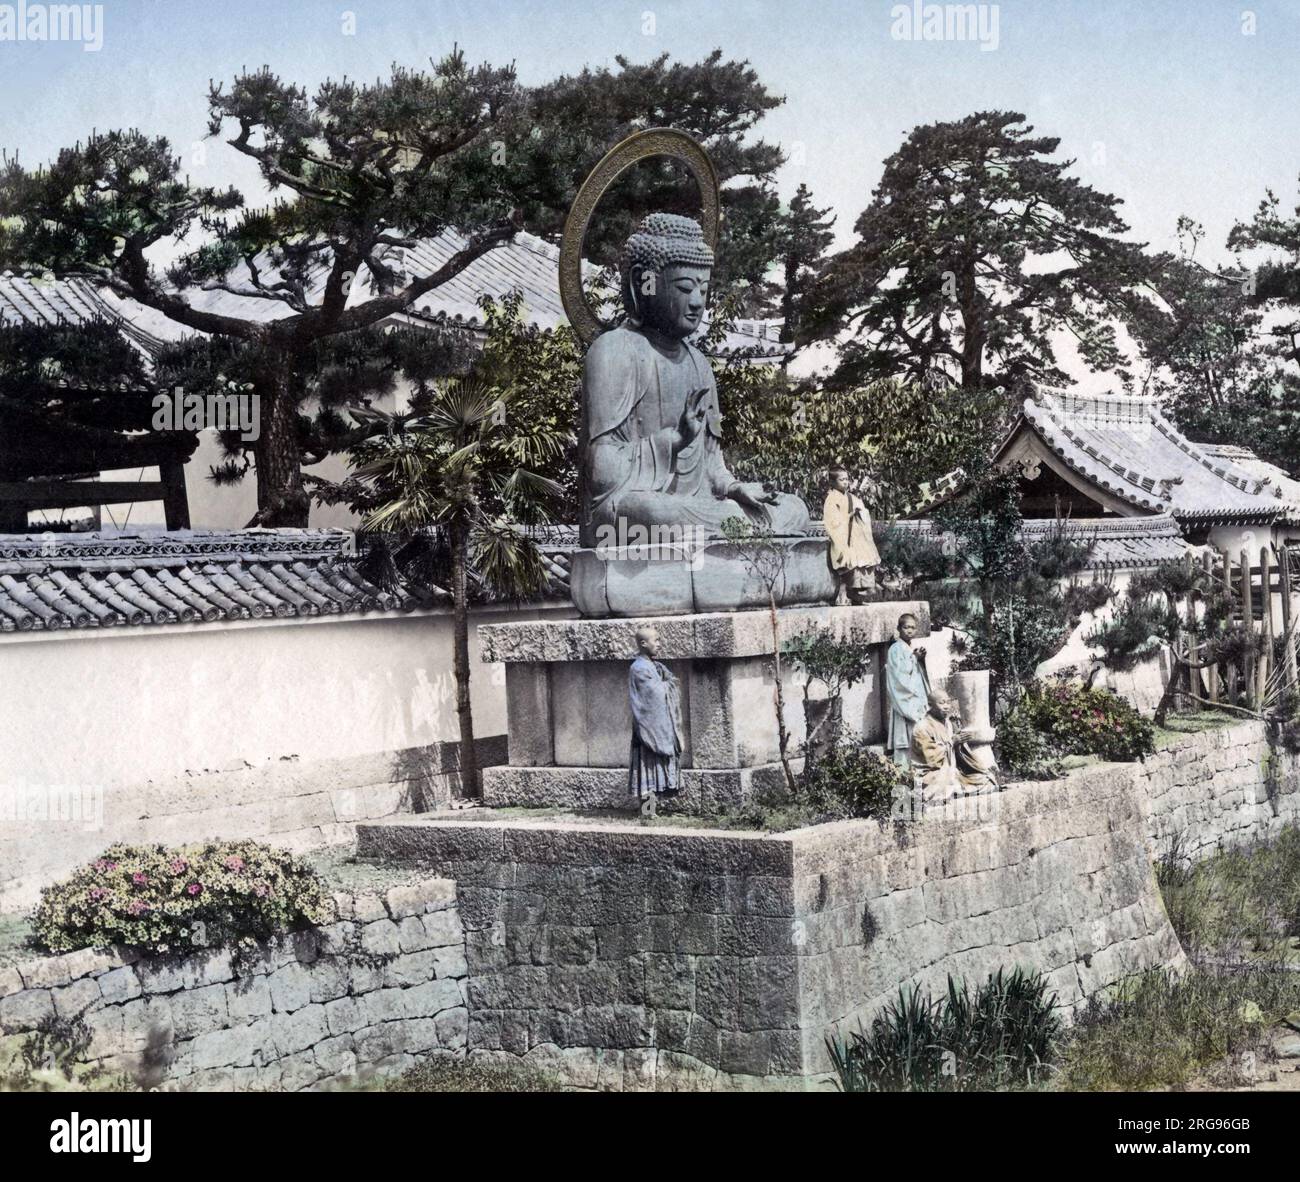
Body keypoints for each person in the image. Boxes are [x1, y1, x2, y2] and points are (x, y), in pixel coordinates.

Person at [579, 212, 810, 547]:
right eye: (685, 288)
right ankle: (732, 533)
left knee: (794, 509)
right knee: (650, 511)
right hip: (630, 514)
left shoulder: (699, 363)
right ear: (643, 283)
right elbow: (602, 472)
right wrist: (673, 439)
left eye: (703, 288)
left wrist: (734, 488)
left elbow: (713, 467)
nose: (698, 302)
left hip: (695, 508)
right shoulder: (614, 350)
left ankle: (737, 528)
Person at [627, 624, 684, 807]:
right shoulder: (639, 668)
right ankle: (647, 810)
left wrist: (669, 682)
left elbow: (670, 681)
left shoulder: (655, 666)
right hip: (648, 731)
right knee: (646, 770)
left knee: (655, 770)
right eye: (656, 640)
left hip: (660, 727)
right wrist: (668, 685)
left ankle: (653, 808)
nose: (660, 644)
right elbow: (653, 695)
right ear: (643, 643)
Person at [822, 465, 881, 605]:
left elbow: (863, 512)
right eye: (841, 480)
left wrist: (861, 512)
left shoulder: (851, 497)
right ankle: (848, 596)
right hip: (844, 538)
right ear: (833, 482)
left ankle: (858, 597)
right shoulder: (831, 499)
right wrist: (848, 515)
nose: (846, 482)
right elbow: (832, 521)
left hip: (857, 537)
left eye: (847, 479)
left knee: (863, 566)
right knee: (850, 567)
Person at [885, 612, 929, 768]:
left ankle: (919, 771)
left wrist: (920, 660)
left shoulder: (909, 649)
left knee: (917, 735)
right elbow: (899, 676)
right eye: (906, 627)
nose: (909, 631)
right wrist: (914, 659)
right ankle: (904, 773)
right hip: (905, 701)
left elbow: (917, 675)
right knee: (905, 737)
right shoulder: (896, 649)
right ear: (899, 628)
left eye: (912, 627)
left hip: (916, 699)